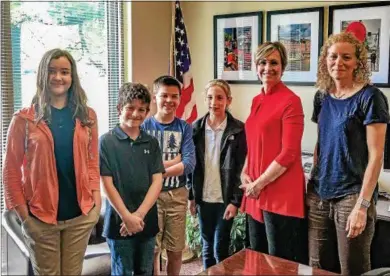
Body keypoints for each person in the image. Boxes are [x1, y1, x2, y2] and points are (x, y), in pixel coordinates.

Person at [3, 48, 101, 275]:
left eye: (65, 72)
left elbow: (92, 162)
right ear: (42, 75)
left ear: (72, 77)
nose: (58, 77)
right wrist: (25, 218)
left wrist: (95, 203)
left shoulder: (87, 117)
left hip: (80, 217)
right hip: (41, 219)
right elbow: (10, 172)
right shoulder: (24, 119)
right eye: (52, 71)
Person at [308, 30, 390, 275]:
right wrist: (312, 182)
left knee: (352, 269)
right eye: (333, 57)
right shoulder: (322, 96)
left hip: (353, 195)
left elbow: (376, 156)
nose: (338, 63)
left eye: (346, 57)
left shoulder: (371, 97)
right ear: (325, 60)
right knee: (318, 267)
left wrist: (363, 206)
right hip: (320, 193)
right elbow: (320, 143)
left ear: (358, 62)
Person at [239, 42, 306, 264]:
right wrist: (244, 172)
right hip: (255, 190)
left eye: (274, 63)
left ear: (283, 67)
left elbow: (289, 153)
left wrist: (257, 184)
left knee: (279, 261)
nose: (268, 68)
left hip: (279, 192)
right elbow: (252, 142)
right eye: (263, 62)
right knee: (256, 255)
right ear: (256, 66)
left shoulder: (291, 101)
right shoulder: (257, 100)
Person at [99, 82, 164, 275]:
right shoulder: (106, 141)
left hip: (146, 221)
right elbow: (106, 184)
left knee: (145, 270)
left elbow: (157, 181)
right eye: (130, 108)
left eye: (141, 110)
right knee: (123, 271)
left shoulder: (151, 142)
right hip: (119, 223)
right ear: (120, 108)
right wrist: (127, 218)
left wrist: (139, 216)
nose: (136, 114)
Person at [188, 79, 246, 269]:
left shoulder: (238, 130)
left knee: (219, 248)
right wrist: (191, 197)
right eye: (210, 97)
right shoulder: (195, 129)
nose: (215, 102)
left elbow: (241, 169)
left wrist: (235, 201)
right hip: (204, 198)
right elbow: (191, 167)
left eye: (220, 98)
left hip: (225, 199)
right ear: (205, 99)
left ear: (228, 100)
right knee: (206, 247)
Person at [141, 75, 196, 275]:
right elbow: (142, 165)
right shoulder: (144, 127)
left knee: (175, 250)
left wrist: (156, 170)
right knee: (153, 250)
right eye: (164, 95)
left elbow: (189, 164)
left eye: (174, 96)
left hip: (176, 196)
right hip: (150, 198)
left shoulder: (184, 127)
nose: (169, 101)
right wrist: (174, 162)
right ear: (155, 97)